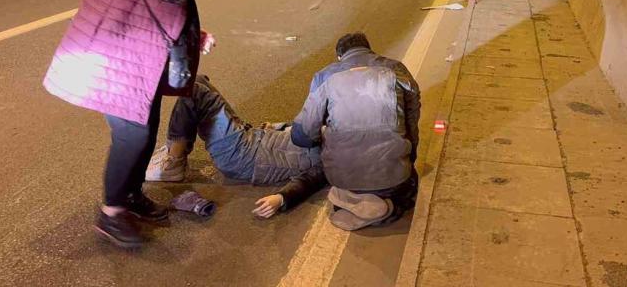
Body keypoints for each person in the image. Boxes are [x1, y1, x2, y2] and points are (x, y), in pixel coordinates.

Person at [43, 0, 214, 249]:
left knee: (147, 129)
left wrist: (198, 38)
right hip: (111, 59)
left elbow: (159, 7)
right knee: (133, 135)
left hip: (135, 61)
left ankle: (131, 195)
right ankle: (110, 213)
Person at [291, 32, 421, 231]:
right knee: (408, 184)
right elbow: (412, 124)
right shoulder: (395, 69)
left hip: (343, 179)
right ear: (370, 50)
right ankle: (388, 205)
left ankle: (351, 199)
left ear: (339, 56)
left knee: (328, 134)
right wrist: (409, 159)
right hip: (394, 178)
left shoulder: (325, 76)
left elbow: (303, 135)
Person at [145, 75, 325, 219]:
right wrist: (279, 126)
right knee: (198, 80)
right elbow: (305, 127)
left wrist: (281, 198)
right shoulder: (341, 130)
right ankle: (174, 152)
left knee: (193, 92)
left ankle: (173, 163)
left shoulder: (336, 156)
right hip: (252, 138)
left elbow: (309, 181)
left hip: (244, 157)